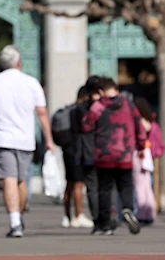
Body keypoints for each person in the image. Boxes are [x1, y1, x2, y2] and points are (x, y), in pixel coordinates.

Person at [0, 45, 54, 238]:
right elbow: (42, 113)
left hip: (1, 138)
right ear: (19, 62)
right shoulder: (31, 83)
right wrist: (49, 140)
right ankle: (18, 217)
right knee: (20, 180)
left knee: (8, 179)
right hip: (26, 140)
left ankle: (15, 221)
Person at [82, 77, 145, 236]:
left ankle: (105, 224)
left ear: (101, 91)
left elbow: (86, 125)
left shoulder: (98, 106)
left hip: (104, 155)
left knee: (104, 189)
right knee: (126, 185)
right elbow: (139, 125)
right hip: (124, 154)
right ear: (116, 89)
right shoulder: (128, 104)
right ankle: (127, 208)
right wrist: (141, 145)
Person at [61, 87, 94, 228]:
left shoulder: (67, 110)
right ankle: (78, 215)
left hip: (67, 150)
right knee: (79, 184)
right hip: (79, 151)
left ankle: (67, 216)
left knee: (69, 184)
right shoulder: (81, 111)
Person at [71, 77, 102, 225]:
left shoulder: (78, 109)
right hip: (103, 151)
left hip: (85, 152)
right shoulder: (103, 107)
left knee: (92, 187)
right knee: (104, 186)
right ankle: (106, 216)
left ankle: (97, 218)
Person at [133, 97, 164, 224]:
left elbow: (140, 138)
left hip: (140, 153)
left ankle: (141, 213)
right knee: (147, 185)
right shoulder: (152, 122)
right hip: (149, 155)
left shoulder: (139, 122)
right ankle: (150, 213)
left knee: (139, 186)